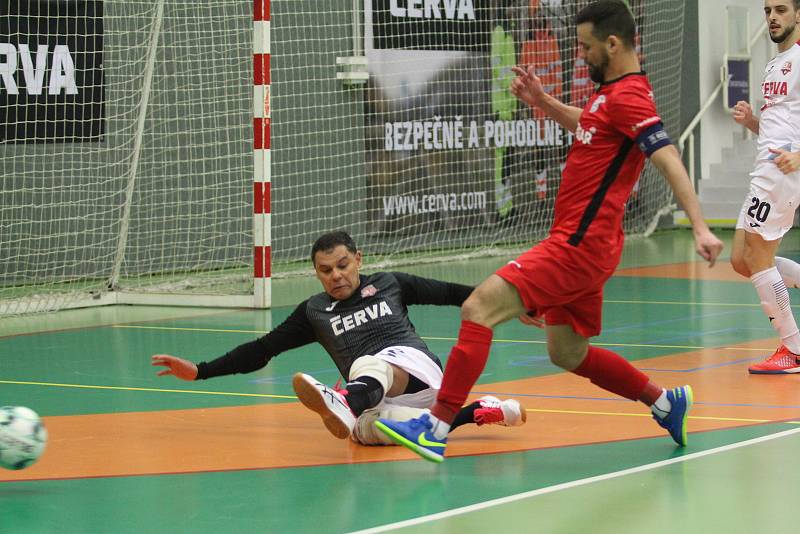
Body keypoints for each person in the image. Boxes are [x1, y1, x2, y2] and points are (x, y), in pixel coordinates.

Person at [376, 0, 724, 463]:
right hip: (587, 246)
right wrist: (543, 103)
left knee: (479, 308)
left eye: (586, 47)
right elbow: (592, 125)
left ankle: (435, 428)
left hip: (579, 247)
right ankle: (664, 402)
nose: (581, 56)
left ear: (613, 43)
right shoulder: (611, 94)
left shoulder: (629, 96)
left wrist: (699, 226)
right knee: (567, 351)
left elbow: (667, 156)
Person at [151, 231, 526, 446]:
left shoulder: (389, 284)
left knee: (368, 364)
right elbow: (263, 349)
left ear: (358, 259)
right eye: (326, 270)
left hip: (416, 371)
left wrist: (518, 302)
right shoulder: (313, 312)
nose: (336, 276)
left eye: (343, 265)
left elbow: (455, 293)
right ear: (316, 273)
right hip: (386, 398)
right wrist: (200, 371)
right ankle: (477, 411)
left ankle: (344, 397)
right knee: (364, 433)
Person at [730, 0, 800, 374]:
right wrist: (753, 122)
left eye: (782, 10)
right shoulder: (774, 64)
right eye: (768, 10)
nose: (772, 17)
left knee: (758, 257)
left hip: (783, 173)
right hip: (764, 169)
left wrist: (799, 158)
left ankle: (794, 348)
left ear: (798, 15)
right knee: (742, 260)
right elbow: (781, 127)